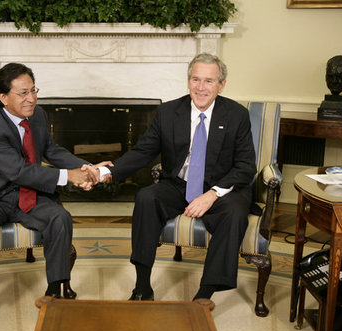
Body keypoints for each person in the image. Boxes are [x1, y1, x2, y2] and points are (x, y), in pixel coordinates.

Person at [0, 62, 110, 331]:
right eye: (22, 93)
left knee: (60, 218)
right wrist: (67, 177)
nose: (31, 98)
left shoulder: (38, 115)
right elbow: (18, 171)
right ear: (3, 97)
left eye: (33, 90)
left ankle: (55, 290)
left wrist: (87, 168)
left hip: (28, 195)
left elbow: (51, 150)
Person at [96, 53, 257, 308]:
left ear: (221, 84)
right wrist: (106, 172)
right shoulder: (169, 111)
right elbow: (143, 151)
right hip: (178, 183)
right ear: (188, 81)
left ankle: (204, 295)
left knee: (235, 215)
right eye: (196, 80)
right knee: (146, 198)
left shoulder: (236, 115)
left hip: (222, 188)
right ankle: (142, 285)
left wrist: (212, 193)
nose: (201, 88)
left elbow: (246, 167)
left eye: (208, 81)